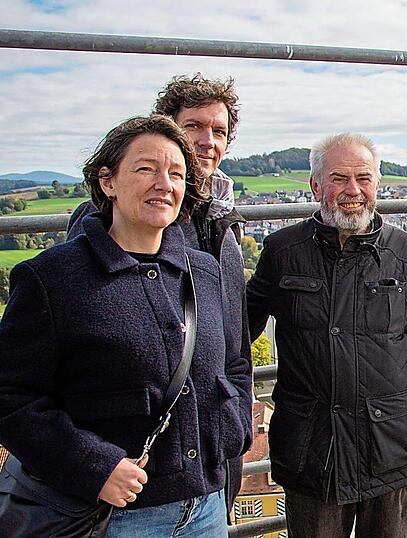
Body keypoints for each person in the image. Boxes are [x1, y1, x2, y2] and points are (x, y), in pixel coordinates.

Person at [0, 115, 253, 537]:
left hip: (206, 508)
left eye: (176, 173)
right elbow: (10, 396)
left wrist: (233, 432)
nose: (163, 183)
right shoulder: (53, 278)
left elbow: (235, 364)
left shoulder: (204, 273)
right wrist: (93, 466)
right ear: (107, 182)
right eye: (145, 169)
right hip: (110, 516)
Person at [246, 133, 407, 538]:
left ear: (377, 184)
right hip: (314, 452)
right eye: (338, 178)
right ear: (315, 185)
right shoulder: (282, 251)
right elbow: (237, 337)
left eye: (363, 178)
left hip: (390, 451)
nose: (353, 191)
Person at [68, 74, 250, 513]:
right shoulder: (112, 217)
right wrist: (97, 461)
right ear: (165, 129)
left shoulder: (225, 223)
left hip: (211, 463)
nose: (208, 141)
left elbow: (235, 341)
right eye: (193, 127)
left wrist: (235, 425)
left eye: (219, 131)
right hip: (135, 474)